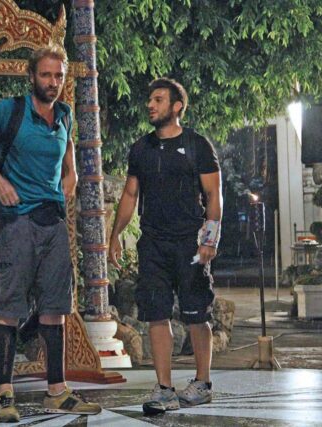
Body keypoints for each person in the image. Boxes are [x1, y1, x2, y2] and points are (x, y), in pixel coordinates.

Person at [0, 45, 101, 422]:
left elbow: (68, 153)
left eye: (58, 76)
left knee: (55, 310)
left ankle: (57, 392)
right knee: (8, 310)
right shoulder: (10, 111)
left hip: (54, 224)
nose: (53, 82)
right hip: (18, 222)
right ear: (31, 75)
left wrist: (71, 174)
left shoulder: (64, 114)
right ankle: (5, 395)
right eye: (46, 75)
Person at [108, 78, 222, 415]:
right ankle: (164, 388)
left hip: (189, 241)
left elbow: (214, 195)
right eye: (150, 99)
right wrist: (115, 235)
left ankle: (202, 383)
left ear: (176, 106)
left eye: (158, 99)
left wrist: (209, 239)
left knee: (196, 314)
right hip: (153, 243)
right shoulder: (141, 149)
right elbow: (130, 194)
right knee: (156, 315)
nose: (150, 105)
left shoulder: (197, 145)